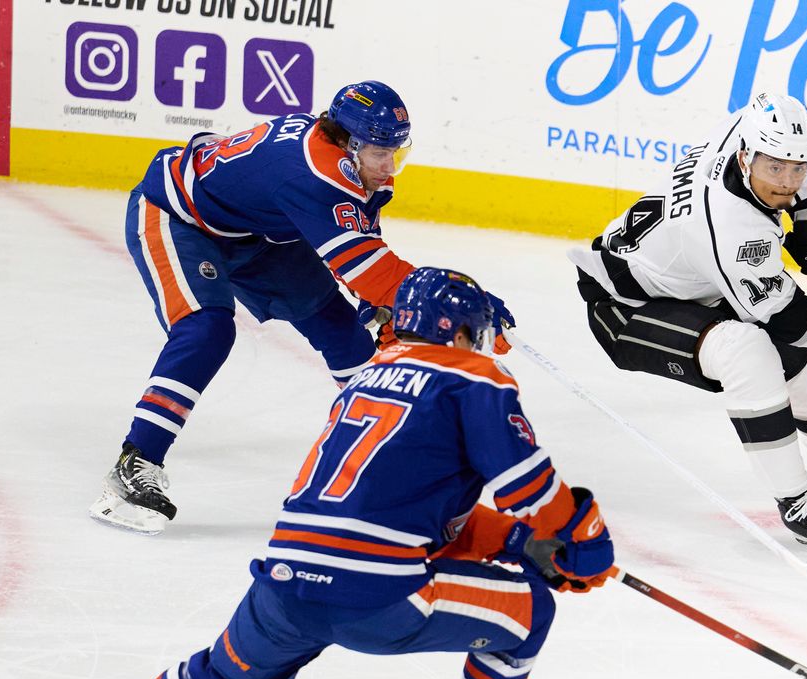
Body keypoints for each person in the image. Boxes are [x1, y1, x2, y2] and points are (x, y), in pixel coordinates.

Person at [80, 268, 613, 679]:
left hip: (283, 585)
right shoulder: (472, 378)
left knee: (226, 671)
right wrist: (584, 539)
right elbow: (531, 492)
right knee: (530, 612)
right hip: (378, 599)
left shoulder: (363, 381)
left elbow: (398, 507)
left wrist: (517, 542)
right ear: (458, 333)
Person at [89, 80, 513, 535]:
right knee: (207, 329)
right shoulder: (312, 175)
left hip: (257, 231)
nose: (390, 167)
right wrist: (469, 304)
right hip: (179, 217)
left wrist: (387, 305)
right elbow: (372, 272)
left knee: (343, 335)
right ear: (349, 145)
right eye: (379, 153)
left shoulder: (346, 164)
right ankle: (136, 461)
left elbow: (366, 256)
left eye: (397, 153)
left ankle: (387, 451)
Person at [567, 90, 807, 552]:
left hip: (694, 281)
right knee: (750, 353)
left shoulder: (748, 130)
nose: (786, 180)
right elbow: (790, 318)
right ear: (746, 157)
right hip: (625, 307)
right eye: (775, 169)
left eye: (798, 169)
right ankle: (797, 501)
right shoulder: (732, 228)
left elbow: (789, 158)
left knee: (805, 369)